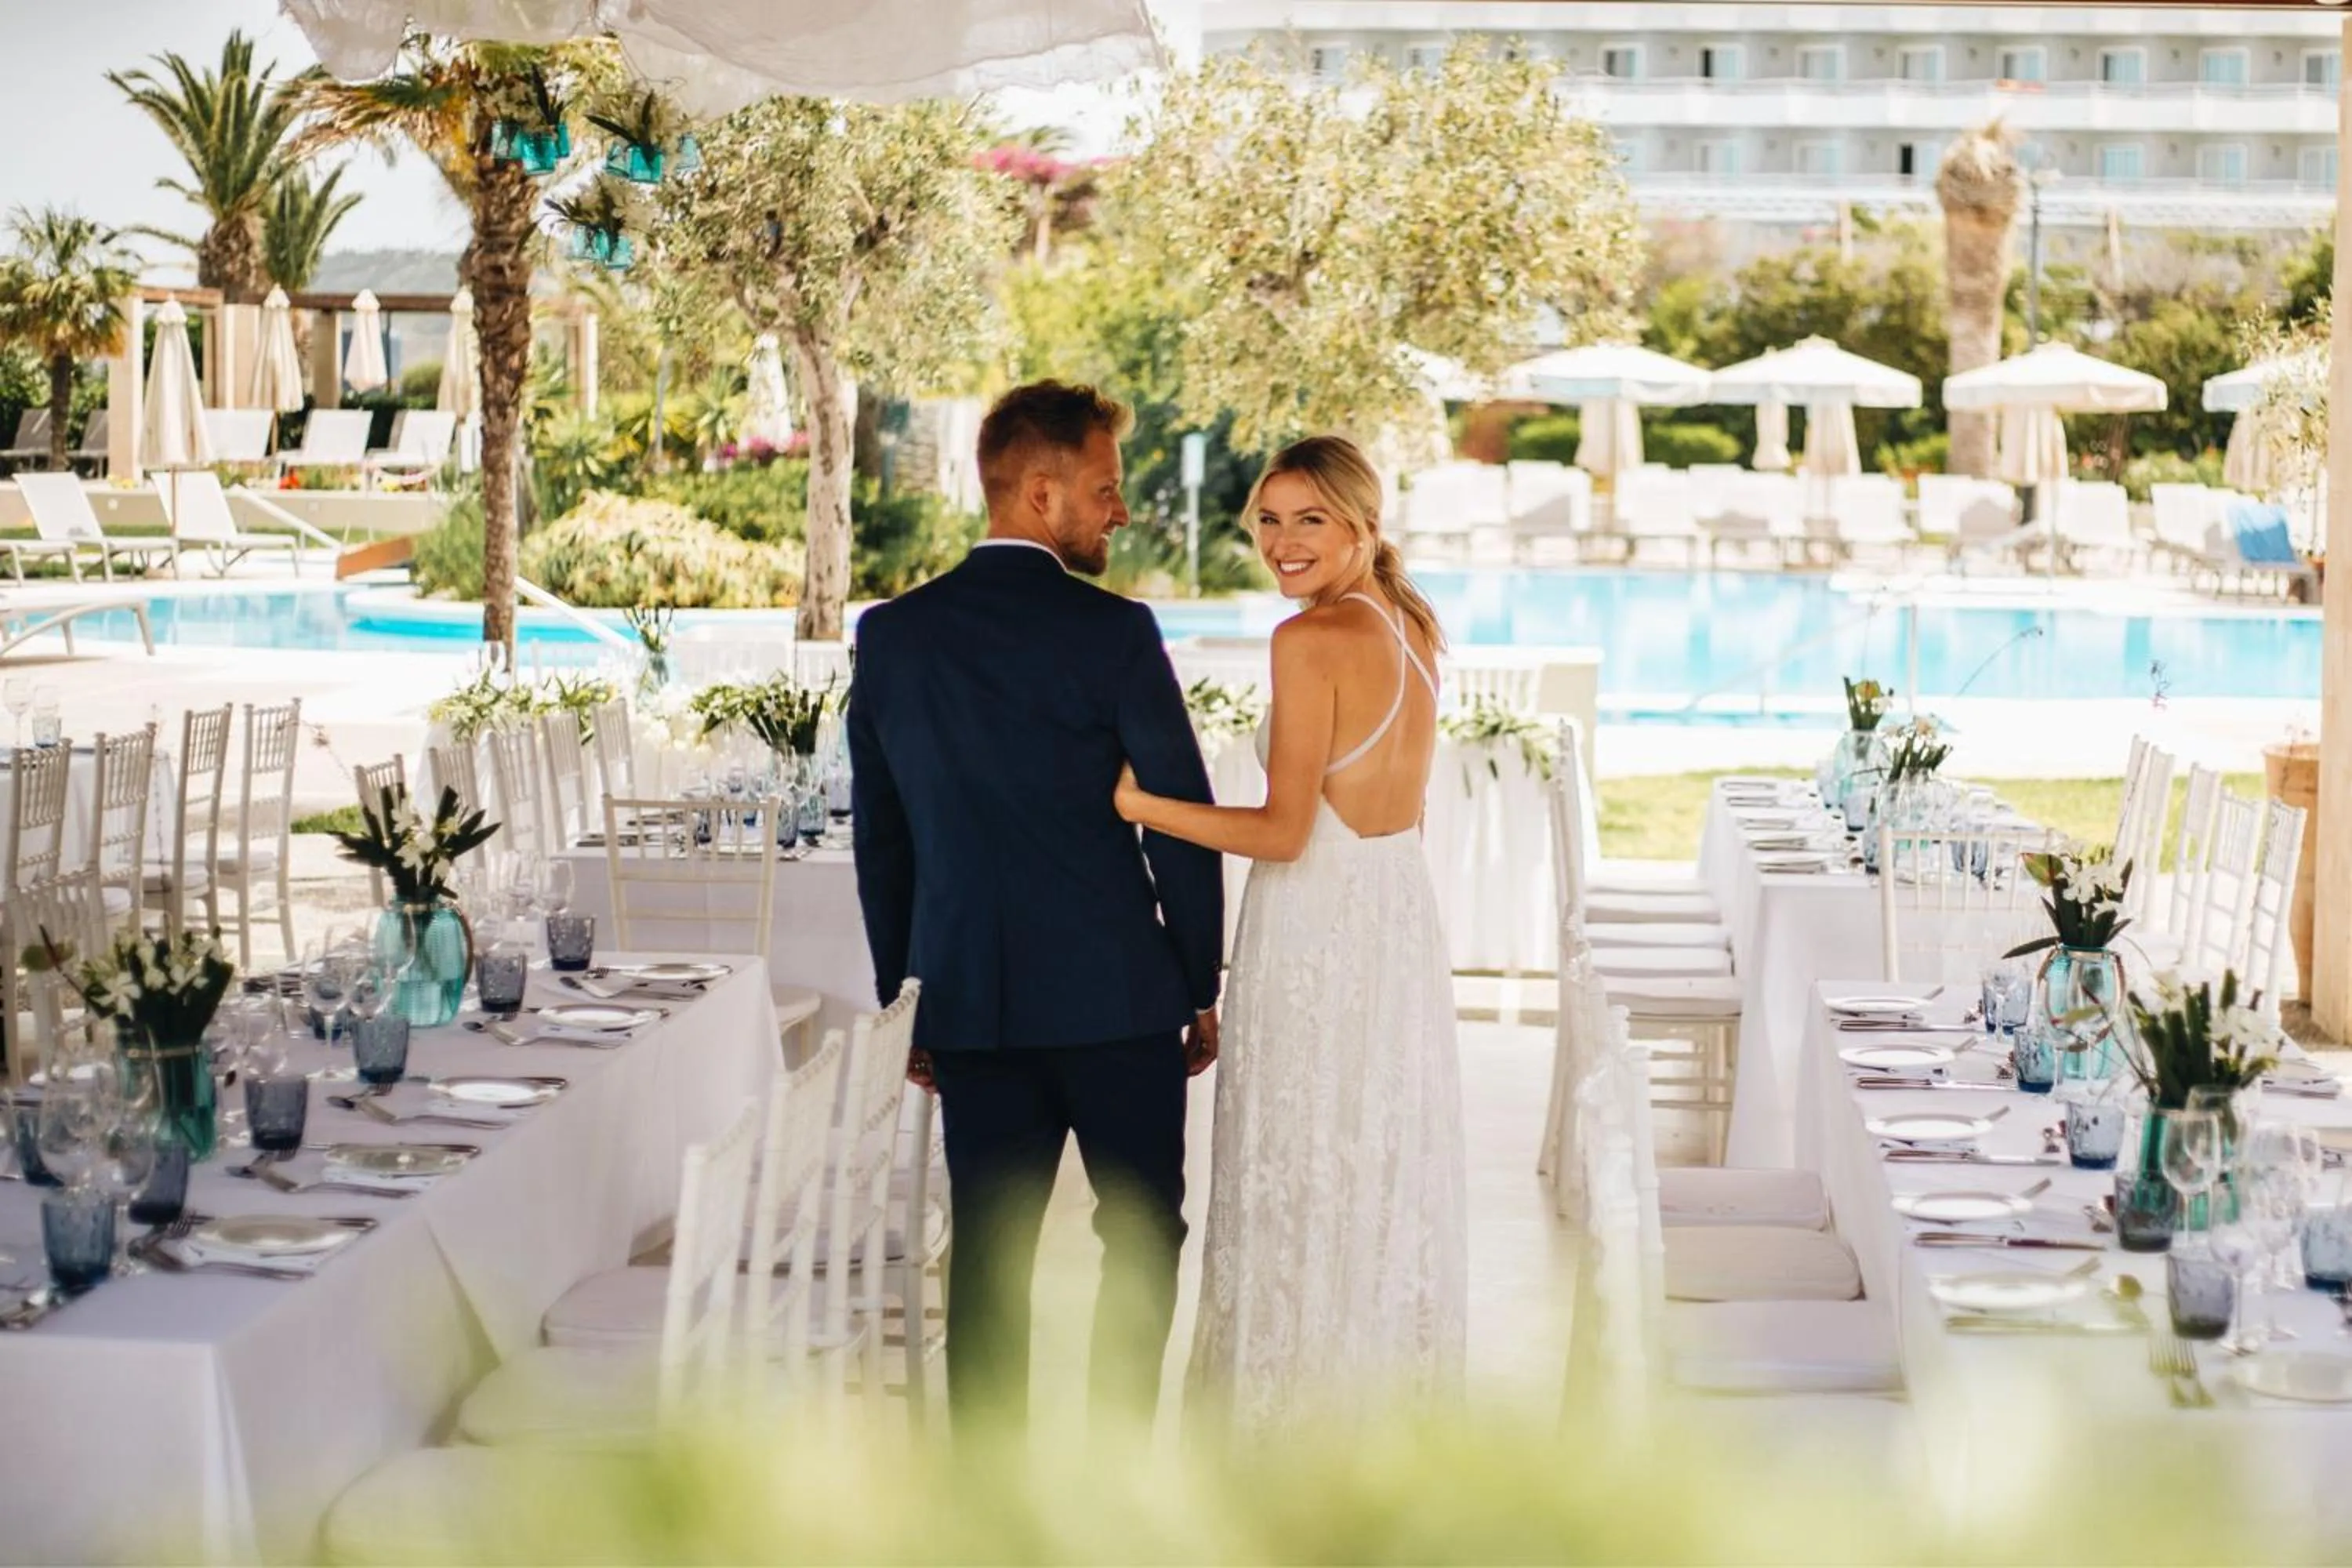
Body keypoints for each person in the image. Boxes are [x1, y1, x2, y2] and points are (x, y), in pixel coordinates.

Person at [849, 380, 1224, 1434]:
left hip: (972, 1002)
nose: (1120, 510)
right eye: (1105, 489)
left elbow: (883, 839)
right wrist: (1197, 981)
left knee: (989, 1251)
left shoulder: (893, 636)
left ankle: (990, 1492)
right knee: (1142, 1235)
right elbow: (1179, 817)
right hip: (1121, 1002)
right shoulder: (1117, 632)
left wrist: (907, 999)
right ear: (1042, 494)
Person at [1114, 434, 1466, 1431]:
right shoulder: (1410, 622)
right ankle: (1370, 1417)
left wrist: (1137, 803)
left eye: (1310, 519)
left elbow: (1282, 830)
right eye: (1268, 520)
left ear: (1362, 523)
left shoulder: (1310, 639)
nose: (1282, 542)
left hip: (1315, 928)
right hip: (1394, 921)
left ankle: (1287, 1423)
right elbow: (1405, 808)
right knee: (1369, 1164)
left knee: (1301, 1164)